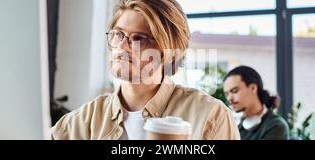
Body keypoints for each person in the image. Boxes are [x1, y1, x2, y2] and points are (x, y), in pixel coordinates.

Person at [51, 0, 239, 140]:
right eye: (118, 34)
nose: (122, 46)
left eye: (139, 38)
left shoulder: (210, 116)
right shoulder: (79, 123)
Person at [223, 66, 289, 140]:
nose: (229, 98)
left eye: (234, 91)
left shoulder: (276, 126)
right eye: (227, 94)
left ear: (253, 88)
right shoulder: (236, 126)